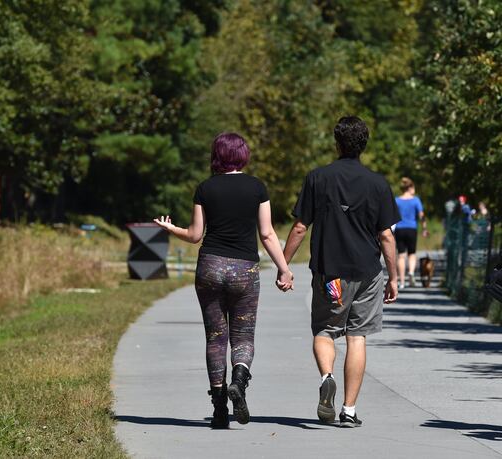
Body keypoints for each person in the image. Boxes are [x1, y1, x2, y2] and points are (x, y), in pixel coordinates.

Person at [154, 132, 294, 429]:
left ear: (217, 155)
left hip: (210, 268)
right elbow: (267, 234)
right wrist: (283, 268)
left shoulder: (205, 188)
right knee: (242, 336)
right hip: (245, 270)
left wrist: (171, 228)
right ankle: (239, 382)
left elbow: (194, 235)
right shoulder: (257, 188)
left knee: (216, 338)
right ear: (243, 155)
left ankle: (219, 409)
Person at [281, 116, 399, 427]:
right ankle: (348, 410)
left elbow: (299, 227)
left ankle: (327, 376)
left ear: (337, 143)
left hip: (329, 273)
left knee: (325, 330)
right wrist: (394, 277)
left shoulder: (317, 178)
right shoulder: (378, 183)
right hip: (368, 274)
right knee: (357, 336)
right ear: (364, 144)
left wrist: (283, 266)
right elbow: (386, 235)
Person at [394, 177, 428, 289]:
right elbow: (421, 216)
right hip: (411, 229)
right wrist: (424, 228)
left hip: (399, 229)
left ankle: (402, 282)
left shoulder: (397, 200)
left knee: (401, 255)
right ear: (410, 188)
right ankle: (411, 273)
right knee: (412, 254)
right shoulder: (416, 200)